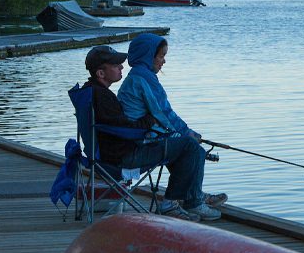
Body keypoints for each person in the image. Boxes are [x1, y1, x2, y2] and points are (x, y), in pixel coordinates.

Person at [83, 44, 218, 221]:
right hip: (123, 157)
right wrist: (150, 121)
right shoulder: (103, 96)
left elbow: (121, 125)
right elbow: (126, 129)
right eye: (116, 65)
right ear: (101, 73)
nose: (122, 67)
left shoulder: (91, 91)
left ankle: (191, 195)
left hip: (108, 153)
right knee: (189, 146)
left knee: (180, 144)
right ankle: (174, 203)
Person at [118, 34, 227, 214]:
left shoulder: (137, 76)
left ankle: (193, 195)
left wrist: (182, 133)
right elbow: (163, 112)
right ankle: (184, 203)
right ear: (148, 55)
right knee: (191, 147)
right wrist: (187, 132)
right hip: (136, 147)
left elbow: (158, 117)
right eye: (161, 56)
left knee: (186, 146)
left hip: (137, 140)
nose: (164, 61)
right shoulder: (143, 78)